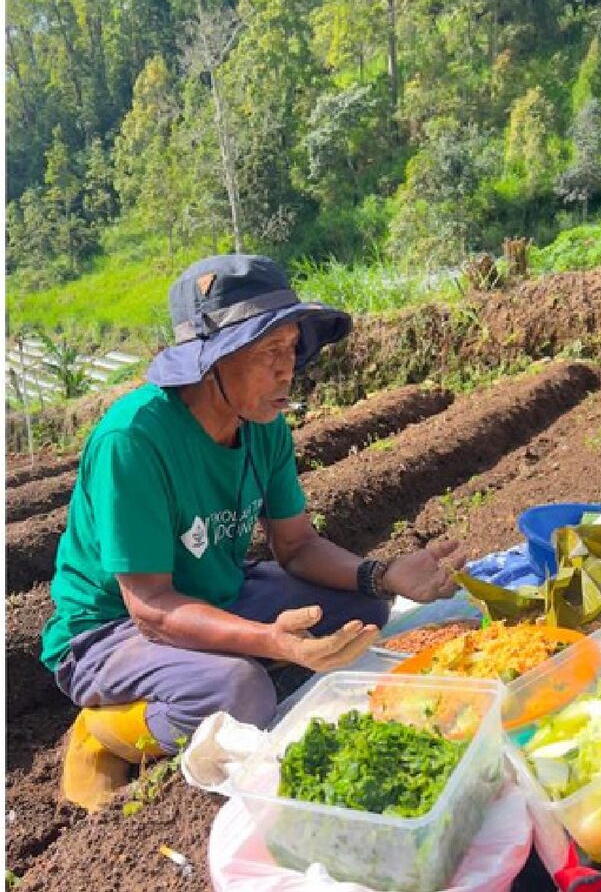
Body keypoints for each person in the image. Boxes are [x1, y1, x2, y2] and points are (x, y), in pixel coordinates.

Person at [48, 254, 466, 811]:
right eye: (268, 351)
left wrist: (385, 574)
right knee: (241, 692)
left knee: (365, 612)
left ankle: (225, 666)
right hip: (113, 629)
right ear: (210, 363)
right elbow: (149, 607)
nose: (287, 369)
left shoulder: (263, 425)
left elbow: (297, 546)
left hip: (217, 591)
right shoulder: (133, 440)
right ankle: (106, 730)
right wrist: (271, 640)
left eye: (291, 348)